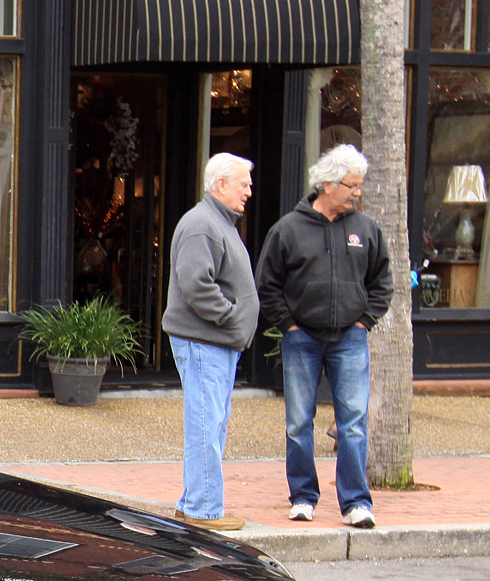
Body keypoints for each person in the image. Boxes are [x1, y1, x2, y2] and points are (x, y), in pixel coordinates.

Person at [255, 144, 391, 529]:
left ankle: (356, 503)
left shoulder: (366, 229)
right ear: (328, 185)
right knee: (299, 421)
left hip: (350, 338)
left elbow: (383, 280)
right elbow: (268, 284)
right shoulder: (288, 229)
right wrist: (289, 324)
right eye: (351, 185)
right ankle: (302, 497)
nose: (357, 192)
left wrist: (365, 320)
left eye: (359, 185)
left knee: (352, 423)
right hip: (302, 339)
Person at [162, 153, 259, 531]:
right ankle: (204, 510)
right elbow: (196, 286)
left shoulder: (217, 223)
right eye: (243, 184)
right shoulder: (203, 224)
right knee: (206, 424)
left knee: (211, 423)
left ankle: (193, 504)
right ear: (220, 185)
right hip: (205, 341)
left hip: (216, 342)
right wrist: (232, 316)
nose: (249, 191)